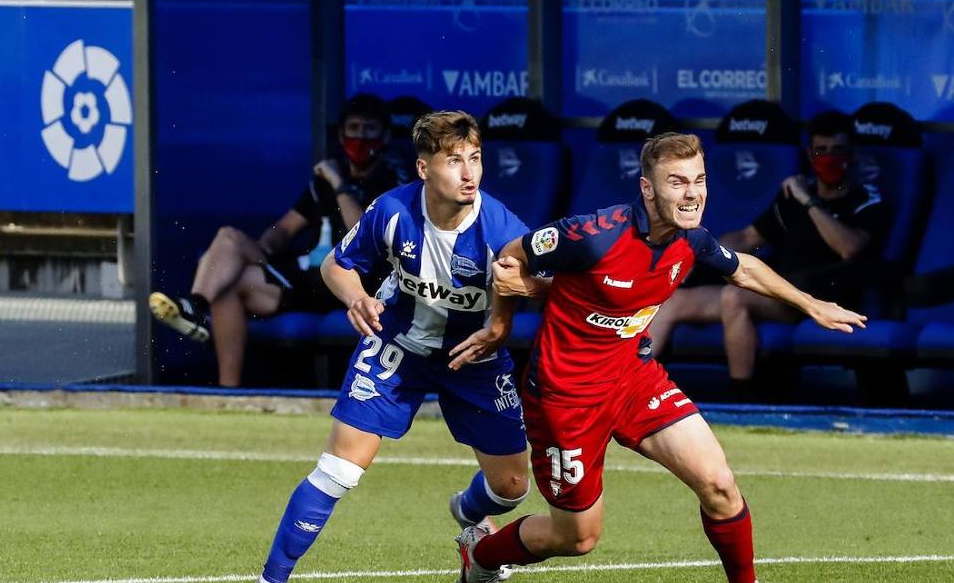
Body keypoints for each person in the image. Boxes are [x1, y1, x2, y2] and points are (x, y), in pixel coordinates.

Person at [454, 132, 866, 583]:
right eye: (677, 182)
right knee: (577, 538)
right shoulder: (593, 235)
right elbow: (513, 259)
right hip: (566, 400)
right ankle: (483, 555)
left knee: (719, 485)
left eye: (699, 180)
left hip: (634, 379)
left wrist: (811, 304)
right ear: (648, 188)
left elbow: (743, 268)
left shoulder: (691, 239)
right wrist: (501, 323)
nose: (692, 194)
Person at [258, 111, 533, 583]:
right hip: (397, 347)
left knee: (511, 489)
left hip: (474, 358)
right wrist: (357, 296)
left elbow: (543, 279)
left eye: (476, 158)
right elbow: (336, 266)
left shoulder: (500, 227)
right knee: (337, 472)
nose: (469, 173)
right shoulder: (392, 211)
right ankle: (271, 578)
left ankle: (469, 514)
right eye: (453, 161)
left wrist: (523, 287)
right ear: (425, 168)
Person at [149, 94, 400, 387]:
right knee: (229, 247)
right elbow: (285, 228)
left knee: (233, 274)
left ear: (384, 135)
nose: (360, 136)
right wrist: (263, 249)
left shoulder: (390, 182)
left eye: (368, 129)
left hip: (348, 282)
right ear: (342, 134)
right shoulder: (324, 183)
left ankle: (195, 311)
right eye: (354, 128)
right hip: (305, 280)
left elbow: (364, 233)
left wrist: (340, 186)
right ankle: (223, 384)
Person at [648, 110, 888, 398]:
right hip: (780, 292)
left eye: (838, 151)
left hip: (824, 295)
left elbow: (849, 248)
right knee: (674, 301)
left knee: (734, 296)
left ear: (853, 153)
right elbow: (749, 237)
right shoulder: (792, 196)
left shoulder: (866, 199)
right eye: (821, 151)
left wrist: (809, 200)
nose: (829, 158)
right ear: (810, 155)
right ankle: (629, 386)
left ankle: (742, 399)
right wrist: (696, 249)